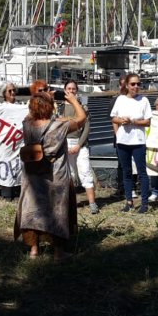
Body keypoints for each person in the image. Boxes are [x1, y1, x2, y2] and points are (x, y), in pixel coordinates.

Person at [14, 90, 86, 261]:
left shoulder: (27, 125)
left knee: (33, 209)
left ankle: (33, 249)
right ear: (51, 107)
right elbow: (81, 119)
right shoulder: (59, 126)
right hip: (55, 176)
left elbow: (30, 115)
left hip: (32, 174)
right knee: (57, 211)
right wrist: (73, 100)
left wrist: (39, 98)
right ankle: (58, 253)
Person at [110, 72, 152, 213]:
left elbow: (147, 122)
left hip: (138, 141)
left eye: (138, 84)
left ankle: (144, 203)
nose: (136, 86)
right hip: (123, 141)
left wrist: (133, 121)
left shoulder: (144, 100)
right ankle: (129, 201)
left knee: (142, 172)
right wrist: (122, 120)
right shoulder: (120, 99)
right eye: (133, 84)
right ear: (127, 86)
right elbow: (113, 118)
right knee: (126, 172)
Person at [62, 80, 98, 214]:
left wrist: (79, 145)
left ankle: (92, 203)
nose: (71, 91)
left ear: (77, 91)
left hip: (80, 144)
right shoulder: (59, 107)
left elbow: (87, 128)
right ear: (65, 90)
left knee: (85, 172)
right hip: (65, 143)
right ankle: (70, 204)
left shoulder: (83, 106)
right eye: (69, 89)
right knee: (68, 175)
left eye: (73, 89)